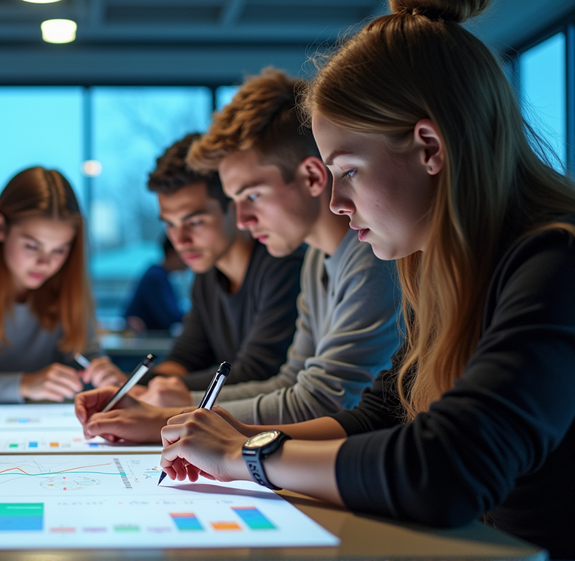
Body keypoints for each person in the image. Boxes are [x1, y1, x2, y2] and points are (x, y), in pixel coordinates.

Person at [158, 1, 575, 558]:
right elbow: (383, 414)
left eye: (349, 171)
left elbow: (445, 470)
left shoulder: (557, 262)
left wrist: (244, 458)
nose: (335, 201)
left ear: (430, 148)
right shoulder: (445, 267)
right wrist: (239, 439)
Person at [77, 69, 402, 442]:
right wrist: (166, 412)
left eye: (252, 196)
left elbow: (323, 399)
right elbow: (291, 382)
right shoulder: (317, 259)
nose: (244, 221)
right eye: (237, 201)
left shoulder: (371, 257)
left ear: (313, 178)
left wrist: (167, 418)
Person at [0, 167, 124, 403]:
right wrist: (24, 385)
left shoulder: (68, 281)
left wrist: (102, 374)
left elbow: (86, 355)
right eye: (32, 246)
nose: (45, 263)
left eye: (59, 250)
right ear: (0, 228)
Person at [131, 133, 306, 393]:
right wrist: (129, 387)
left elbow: (257, 373)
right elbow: (185, 358)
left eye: (195, 222)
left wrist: (160, 389)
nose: (180, 240)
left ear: (233, 207)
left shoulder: (283, 265)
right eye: (170, 224)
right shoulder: (207, 275)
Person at [123, 236, 185, 333]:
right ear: (172, 253)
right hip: (147, 339)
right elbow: (170, 316)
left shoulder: (161, 276)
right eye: (185, 253)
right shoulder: (155, 278)